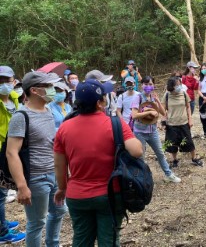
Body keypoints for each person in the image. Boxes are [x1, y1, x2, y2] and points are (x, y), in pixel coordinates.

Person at [53, 79, 143, 246]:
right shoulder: (115, 123)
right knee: (108, 240)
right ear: (100, 102)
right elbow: (137, 151)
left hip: (77, 195)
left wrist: (62, 188)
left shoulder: (64, 128)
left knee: (81, 240)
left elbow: (59, 164)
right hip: (110, 194)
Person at [6, 71, 67, 246]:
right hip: (36, 177)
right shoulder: (21, 116)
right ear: (34, 90)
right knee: (37, 222)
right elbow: (12, 153)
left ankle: (52, 244)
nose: (53, 90)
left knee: (59, 212)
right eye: (48, 86)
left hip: (54, 173)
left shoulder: (48, 110)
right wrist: (22, 186)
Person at [131, 76, 181, 183]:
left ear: (154, 85)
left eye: (150, 84)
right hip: (139, 132)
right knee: (140, 156)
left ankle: (168, 174)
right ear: (142, 85)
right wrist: (149, 112)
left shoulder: (153, 98)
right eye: (146, 84)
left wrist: (157, 100)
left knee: (160, 153)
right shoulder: (138, 97)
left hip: (152, 131)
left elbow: (163, 113)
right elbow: (134, 115)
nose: (148, 86)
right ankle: (141, 179)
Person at [0, 66, 25, 244]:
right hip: (1, 150)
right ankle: (2, 232)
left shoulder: (16, 99)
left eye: (6, 80)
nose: (3, 84)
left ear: (13, 81)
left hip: (12, 149)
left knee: (3, 191)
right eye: (0, 81)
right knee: (0, 194)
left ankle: (3, 222)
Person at [162, 77, 203, 168]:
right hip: (171, 124)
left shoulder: (184, 93)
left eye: (179, 84)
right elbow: (163, 110)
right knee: (172, 144)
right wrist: (163, 123)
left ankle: (194, 158)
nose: (179, 86)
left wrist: (190, 119)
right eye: (177, 85)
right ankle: (174, 160)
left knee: (189, 142)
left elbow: (188, 107)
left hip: (184, 122)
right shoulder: (167, 95)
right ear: (171, 86)